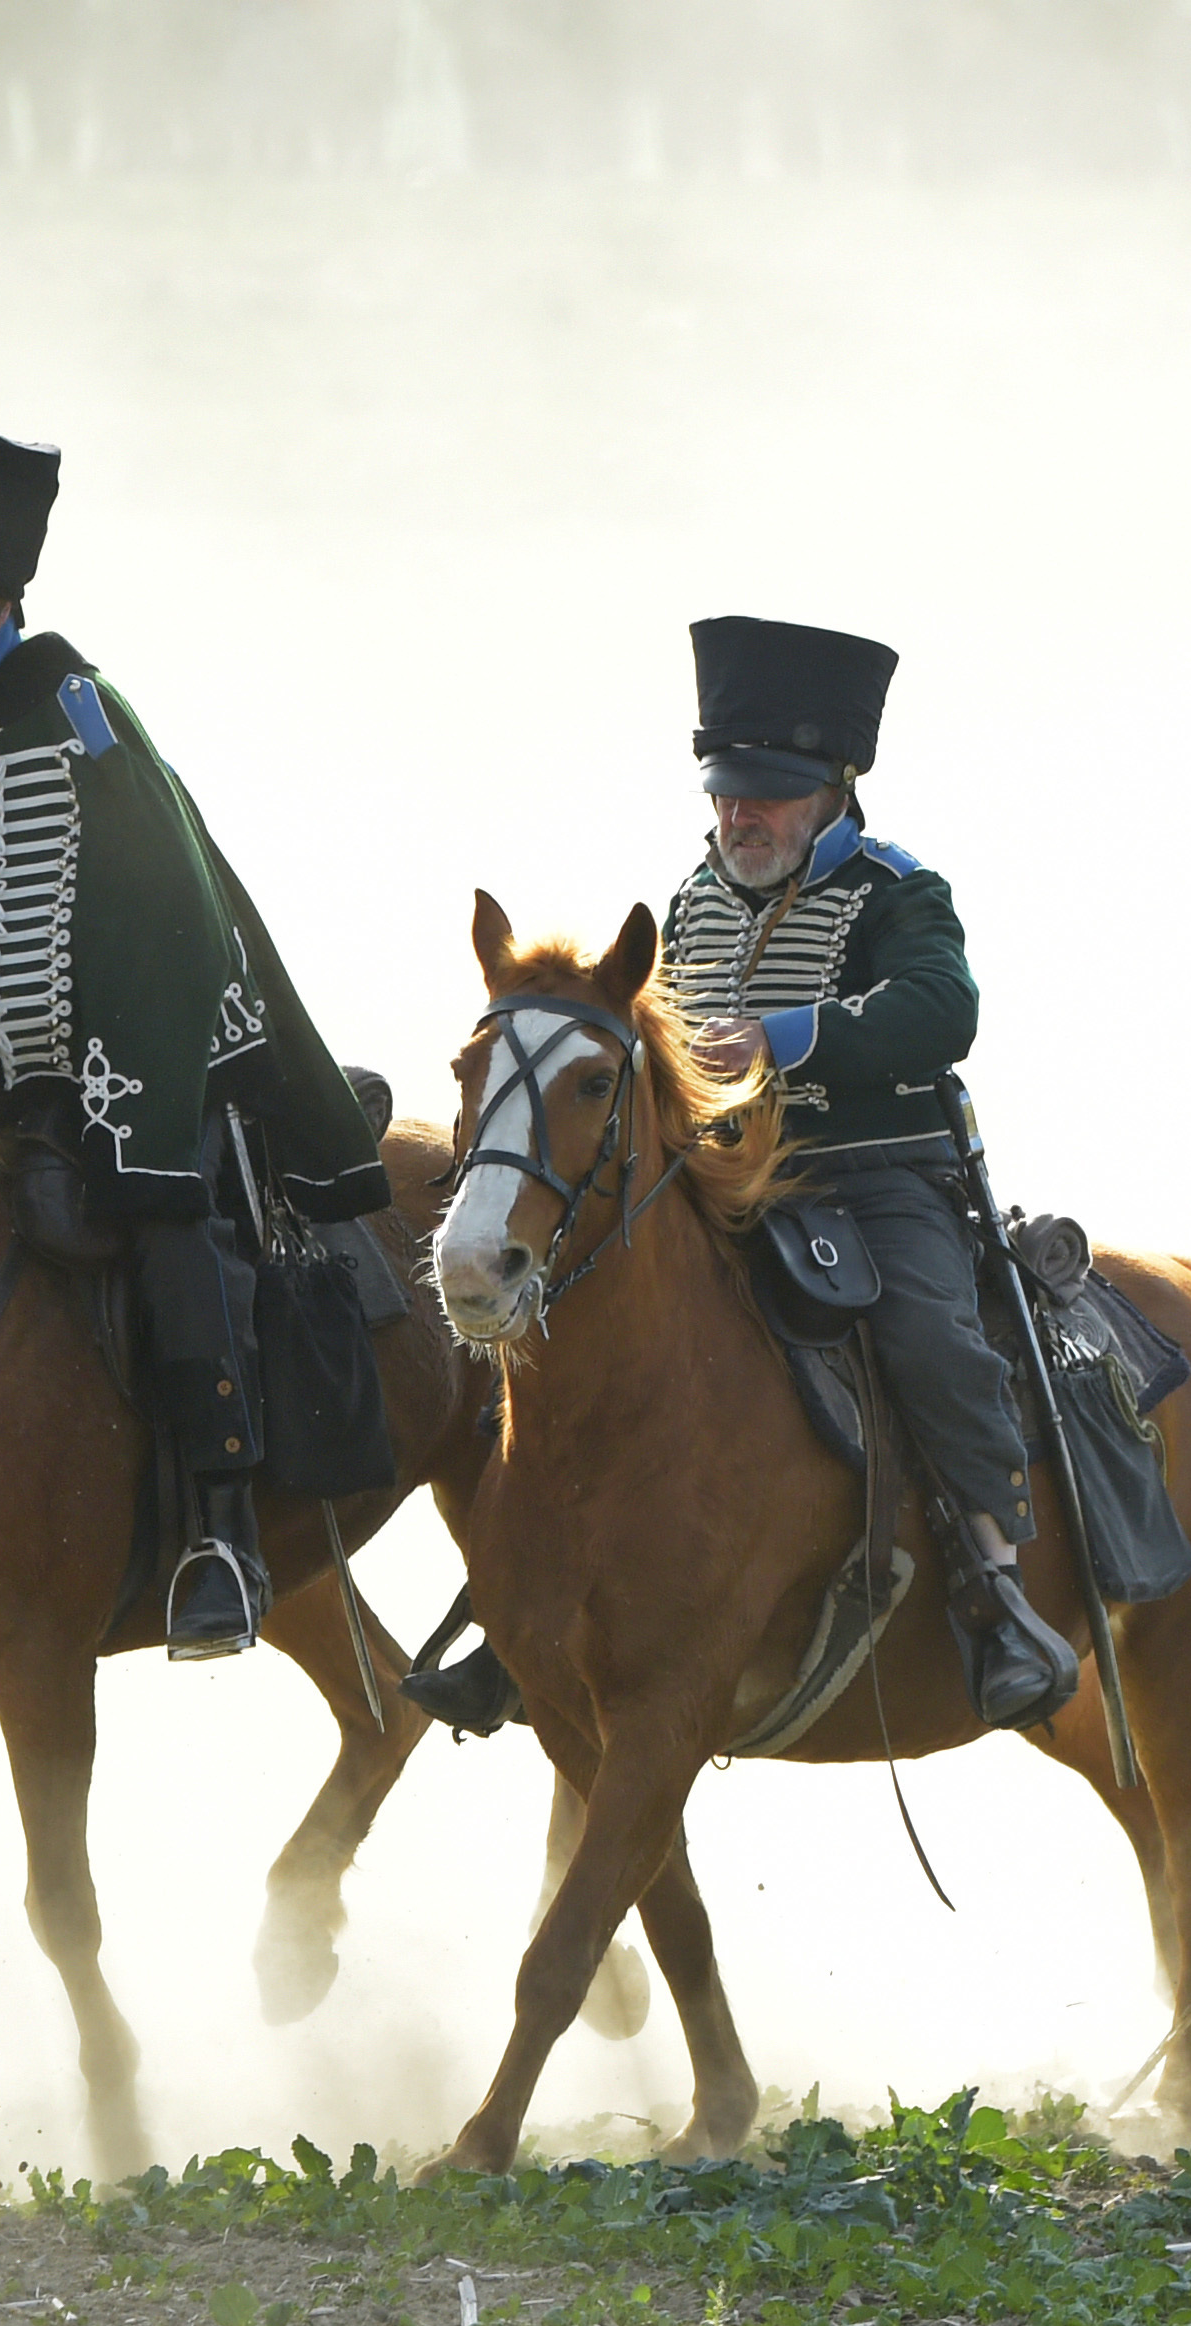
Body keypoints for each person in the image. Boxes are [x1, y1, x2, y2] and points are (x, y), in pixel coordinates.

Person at [402, 618, 1075, 1737]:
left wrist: (785, 1036)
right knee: (571, 1325)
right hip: (718, 1182)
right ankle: (517, 1604)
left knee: (930, 1341)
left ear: (832, 788)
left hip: (876, 1176)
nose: (738, 814)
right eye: (726, 790)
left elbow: (940, 1011)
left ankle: (996, 1591)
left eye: (766, 792)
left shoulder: (898, 891)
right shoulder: (689, 901)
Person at [0, 395, 393, 1660]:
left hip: (109, 1065)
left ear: (3, 594)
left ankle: (220, 1536)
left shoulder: (77, 718)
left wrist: (102, 1106)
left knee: (158, 1216)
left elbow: (170, 926)